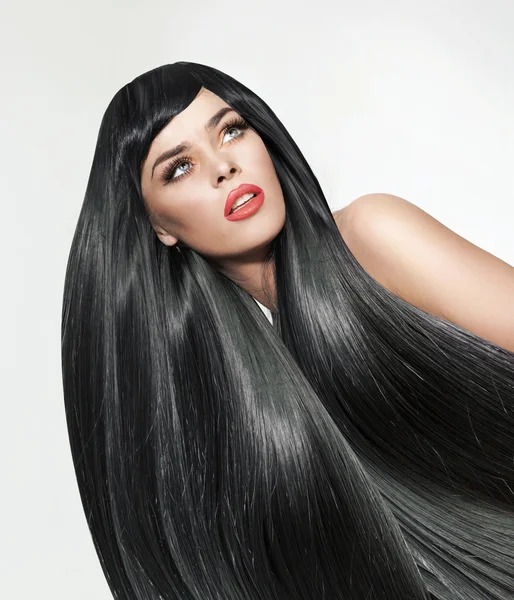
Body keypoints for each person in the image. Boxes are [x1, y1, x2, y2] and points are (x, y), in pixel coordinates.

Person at [61, 61, 514, 600]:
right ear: (157, 226)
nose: (223, 166)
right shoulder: (211, 395)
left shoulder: (372, 237)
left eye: (230, 130)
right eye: (178, 168)